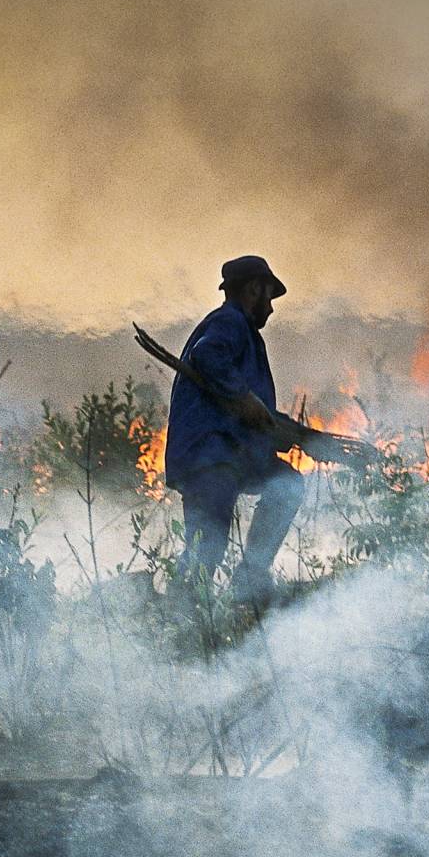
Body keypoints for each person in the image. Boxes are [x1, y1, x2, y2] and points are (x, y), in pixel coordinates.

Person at [163, 255, 306, 603]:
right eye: (268, 297)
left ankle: (250, 579)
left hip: (233, 454)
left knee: (287, 484)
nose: (270, 309)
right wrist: (243, 398)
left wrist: (278, 429)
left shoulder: (242, 331)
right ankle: (178, 617)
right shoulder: (229, 322)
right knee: (206, 548)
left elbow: (251, 410)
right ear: (254, 289)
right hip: (210, 456)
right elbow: (207, 356)